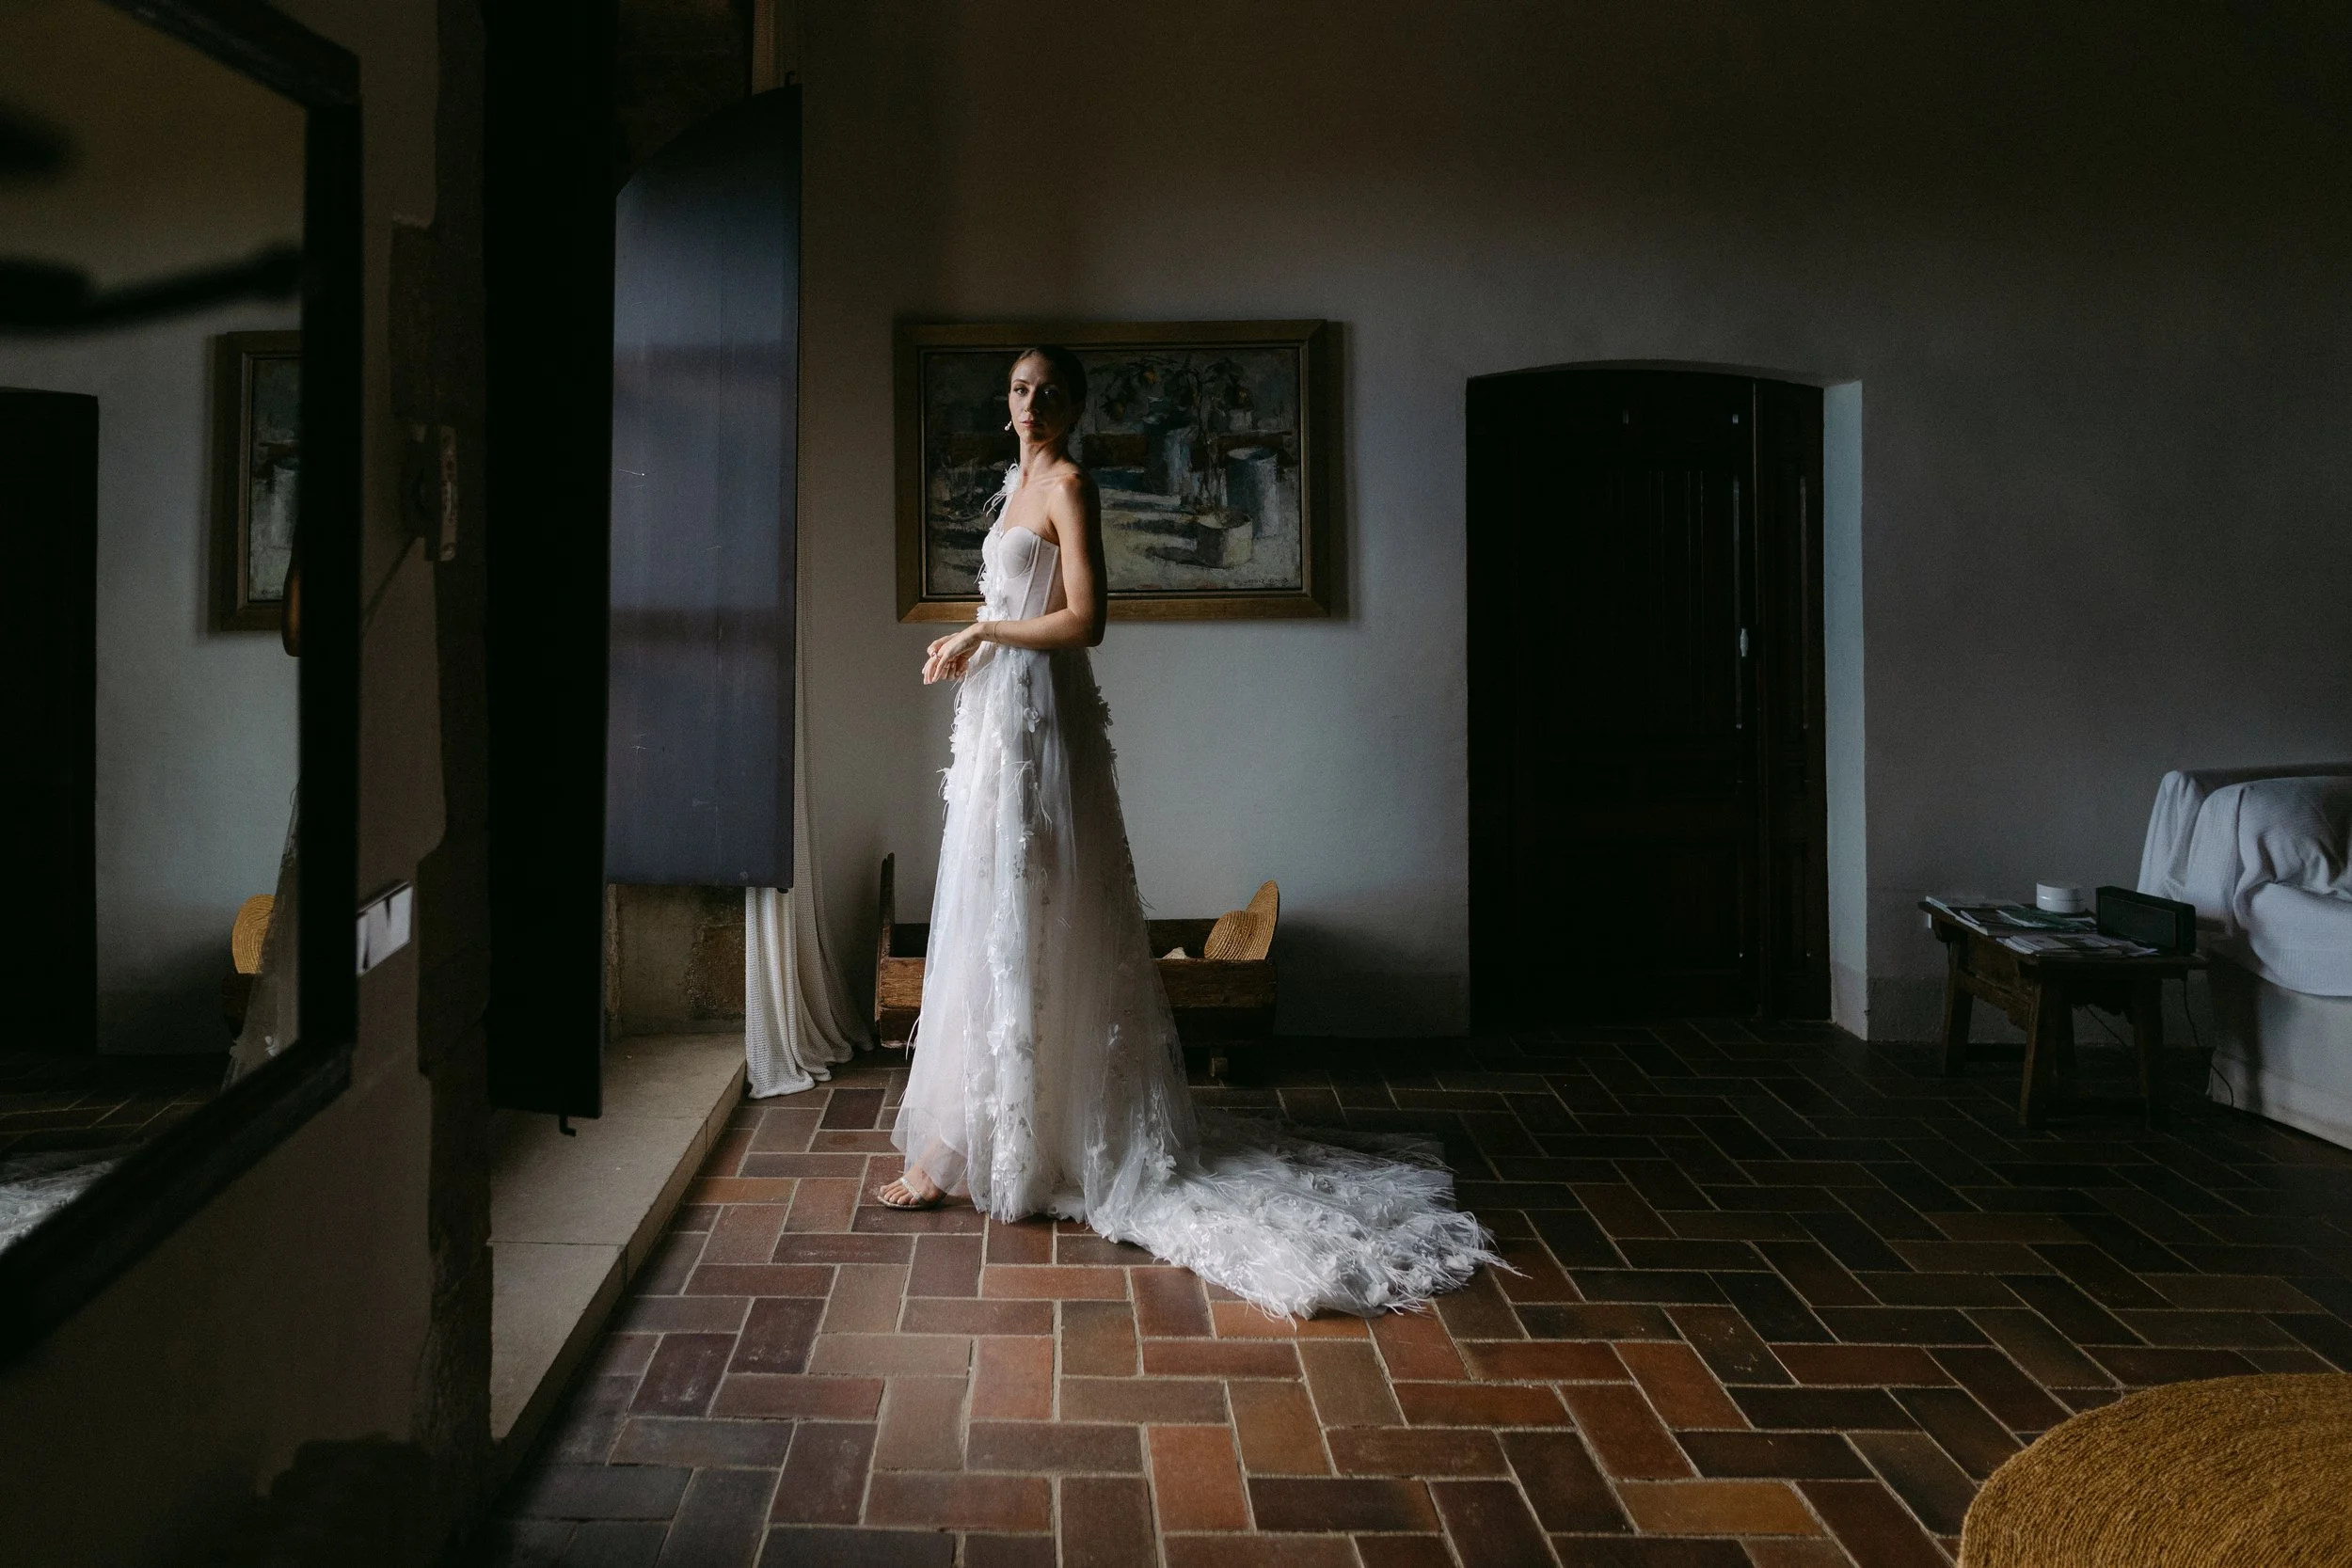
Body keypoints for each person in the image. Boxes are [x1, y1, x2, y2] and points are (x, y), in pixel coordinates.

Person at [879, 346, 1495, 1317]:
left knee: (1037, 897)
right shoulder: (1015, 481)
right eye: (1017, 388)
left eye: (1046, 390)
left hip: (1043, 714)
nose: (1029, 403)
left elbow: (1085, 620)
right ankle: (966, 1144)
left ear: (1074, 405)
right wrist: (967, 633)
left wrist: (985, 635)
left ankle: (1045, 1138)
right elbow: (1012, 599)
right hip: (1001, 713)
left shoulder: (1071, 484)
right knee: (989, 899)